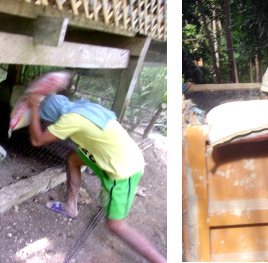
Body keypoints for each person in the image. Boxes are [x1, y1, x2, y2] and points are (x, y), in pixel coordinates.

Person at [26, 91, 166, 263]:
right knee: (73, 158)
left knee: (116, 225)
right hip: (114, 155)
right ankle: (71, 206)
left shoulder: (69, 119)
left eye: (47, 118)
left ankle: (160, 260)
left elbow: (37, 140)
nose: (49, 122)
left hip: (124, 169)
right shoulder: (81, 107)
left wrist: (33, 107)